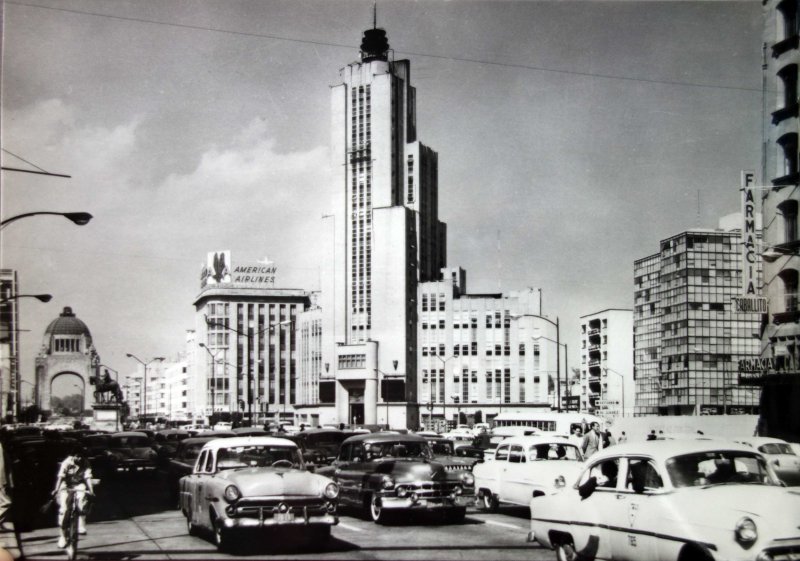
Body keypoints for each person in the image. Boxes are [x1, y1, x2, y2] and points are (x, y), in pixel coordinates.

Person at [53, 446, 94, 549]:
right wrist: (56, 489)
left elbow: (88, 477)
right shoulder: (66, 463)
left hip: (79, 485)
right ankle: (62, 537)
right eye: (77, 456)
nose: (79, 458)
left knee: (82, 500)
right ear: (73, 456)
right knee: (64, 510)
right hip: (66, 486)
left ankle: (81, 524)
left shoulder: (85, 462)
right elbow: (60, 477)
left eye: (81, 456)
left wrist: (91, 490)